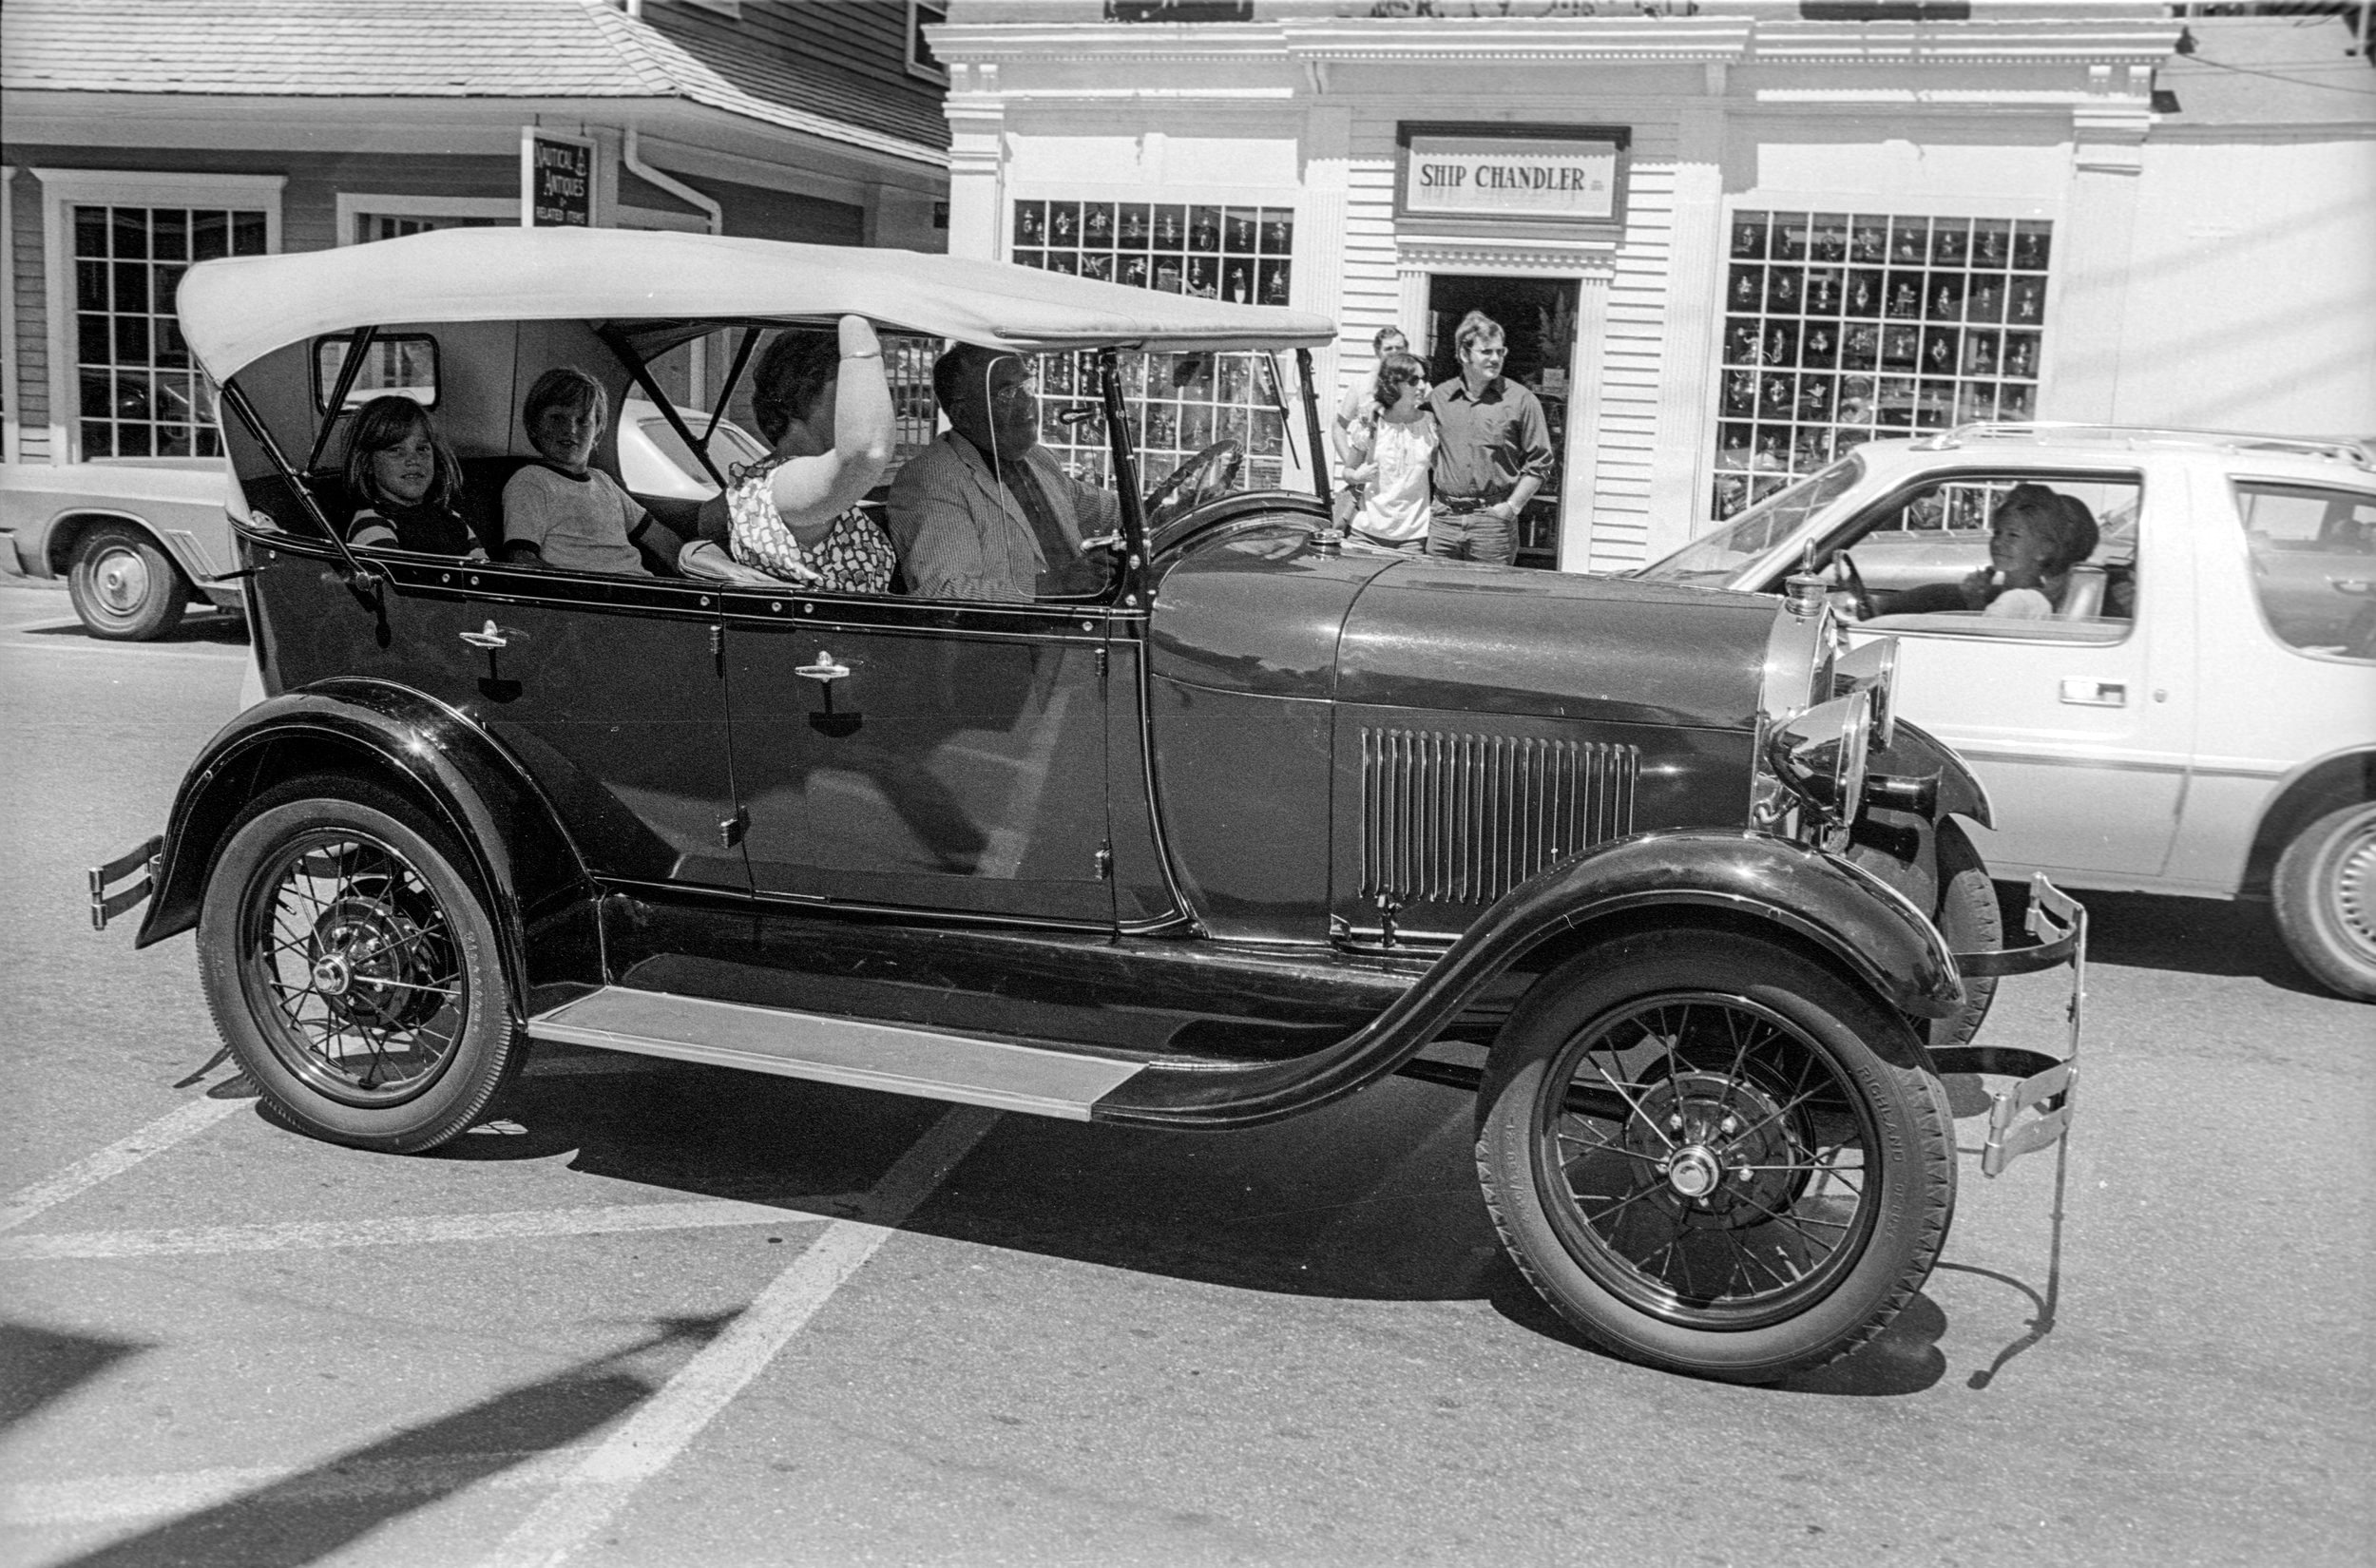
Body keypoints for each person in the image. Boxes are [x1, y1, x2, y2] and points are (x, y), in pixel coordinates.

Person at [886, 344, 1122, 601]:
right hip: (1016, 635)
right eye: (1007, 393)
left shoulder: (1036, 459)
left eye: (1027, 387)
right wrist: (1056, 583)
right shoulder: (934, 476)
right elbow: (945, 591)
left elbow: (1111, 511)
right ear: (963, 414)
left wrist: (1162, 512)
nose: (1027, 402)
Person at [500, 367, 757, 581]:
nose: (570, 430)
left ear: (598, 431)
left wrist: (705, 574)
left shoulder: (603, 483)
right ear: (534, 426)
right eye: (557, 418)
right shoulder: (531, 481)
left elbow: (662, 540)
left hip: (638, 588)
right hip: (590, 601)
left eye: (583, 421)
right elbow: (522, 558)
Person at [699, 316, 897, 593]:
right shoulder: (781, 484)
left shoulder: (757, 484)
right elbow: (865, 451)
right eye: (850, 384)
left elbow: (707, 518)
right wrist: (860, 322)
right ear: (803, 390)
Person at [1424, 310, 1554, 564]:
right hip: (1443, 521)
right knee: (1436, 599)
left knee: (1489, 600)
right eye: (1486, 352)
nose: (1495, 359)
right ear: (1464, 354)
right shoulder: (1439, 397)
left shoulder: (1521, 400)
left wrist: (1511, 508)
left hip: (1492, 523)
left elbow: (1541, 463)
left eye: (1500, 352)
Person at [340, 395, 482, 558]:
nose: (413, 460)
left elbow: (485, 574)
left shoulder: (452, 520)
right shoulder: (371, 525)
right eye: (395, 450)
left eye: (422, 449)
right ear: (367, 464)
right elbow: (398, 581)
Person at [1340, 351, 1436, 553]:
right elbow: (1348, 472)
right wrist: (1357, 476)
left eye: (1423, 379)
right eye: (1413, 380)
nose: (1421, 386)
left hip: (1412, 538)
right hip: (1364, 535)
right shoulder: (1371, 423)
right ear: (1394, 383)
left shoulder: (1431, 424)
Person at [1957, 485, 2100, 619]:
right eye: (1997, 532)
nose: (1998, 542)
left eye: (2013, 535)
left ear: (2045, 549)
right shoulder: (2025, 598)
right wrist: (1975, 601)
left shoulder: (2018, 601)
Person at [1330, 324, 1409, 466]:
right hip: (1371, 474)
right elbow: (1339, 426)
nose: (1395, 352)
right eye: (1388, 348)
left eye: (1399, 347)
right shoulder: (1362, 384)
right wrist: (1352, 466)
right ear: (1377, 352)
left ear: (1407, 350)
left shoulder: (1418, 385)